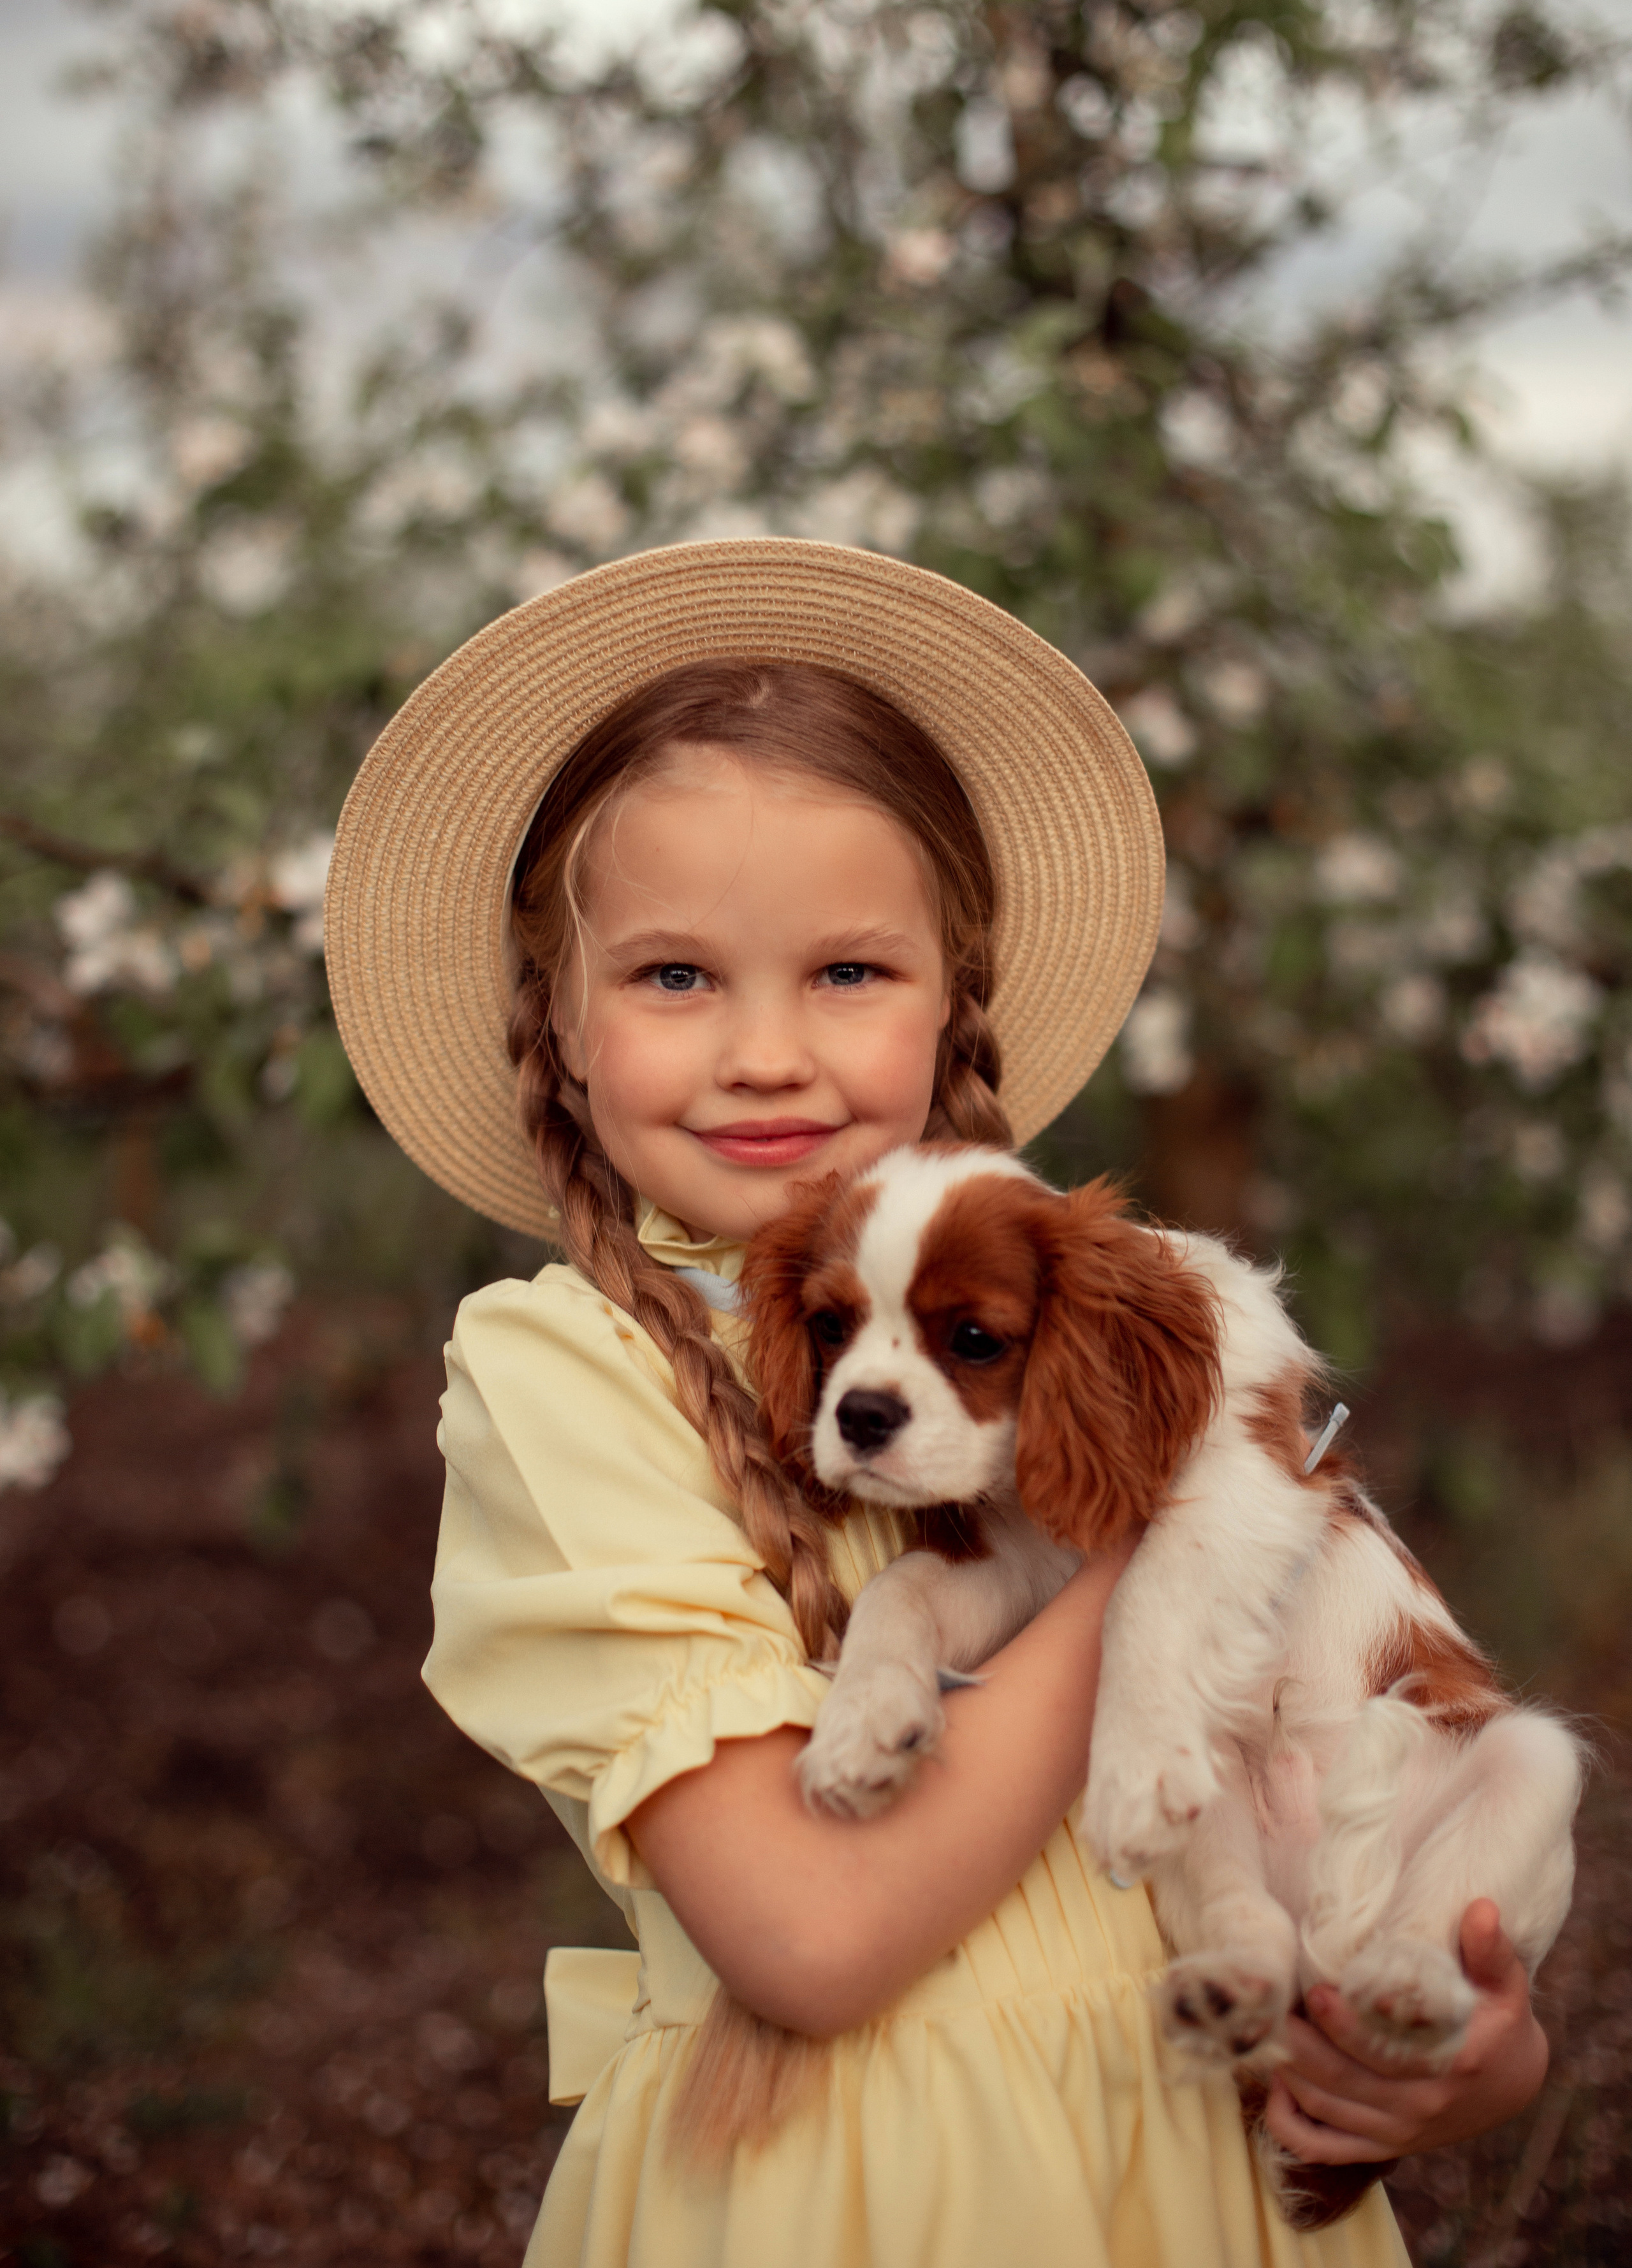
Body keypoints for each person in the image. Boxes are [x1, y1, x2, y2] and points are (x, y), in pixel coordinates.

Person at [323, 540, 1550, 2267]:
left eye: (847, 972)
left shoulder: (1064, 1294)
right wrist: (1189, 1515)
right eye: (675, 975)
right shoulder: (563, 1374)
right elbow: (814, 1939)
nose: (766, 1052)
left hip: (1186, 2164)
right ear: (562, 1021)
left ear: (953, 994)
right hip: (844, 2193)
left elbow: (1370, 1755)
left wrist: (1477, 2052)